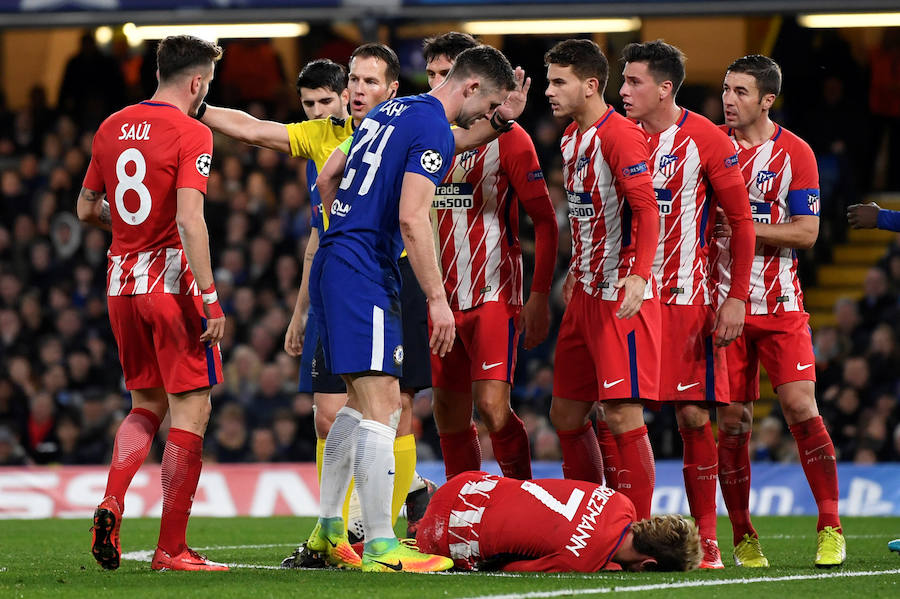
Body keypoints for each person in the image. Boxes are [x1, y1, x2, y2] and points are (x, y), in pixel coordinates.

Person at [199, 48, 430, 540]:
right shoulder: (320, 139)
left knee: (394, 405)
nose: (321, 111)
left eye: (328, 101)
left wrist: (497, 118)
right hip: (338, 277)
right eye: (310, 104)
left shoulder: (397, 129)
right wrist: (193, 105)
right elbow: (254, 131)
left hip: (391, 273)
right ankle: (340, 527)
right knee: (330, 416)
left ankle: (374, 526)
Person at [304, 45, 518, 573]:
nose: (484, 113)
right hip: (365, 270)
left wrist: (498, 123)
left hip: (334, 258)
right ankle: (382, 545)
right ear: (471, 87)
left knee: (355, 407)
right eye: (487, 103)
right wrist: (438, 300)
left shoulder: (393, 111)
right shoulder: (430, 126)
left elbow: (327, 177)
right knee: (385, 408)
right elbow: (411, 217)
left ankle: (329, 530)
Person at [78, 35, 228, 571]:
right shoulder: (192, 131)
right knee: (192, 408)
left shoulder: (111, 126)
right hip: (170, 287)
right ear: (197, 82)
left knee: (144, 405)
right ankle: (171, 548)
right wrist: (211, 298)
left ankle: (112, 500)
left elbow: (85, 208)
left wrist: (127, 230)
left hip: (121, 285)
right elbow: (189, 219)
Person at [618, 40, 755, 569]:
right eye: (622, 80)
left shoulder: (706, 138)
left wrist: (736, 297)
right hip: (624, 297)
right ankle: (627, 535)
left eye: (633, 81)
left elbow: (741, 222)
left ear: (665, 88)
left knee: (695, 417)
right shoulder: (617, 134)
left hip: (685, 297)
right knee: (615, 412)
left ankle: (707, 541)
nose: (624, 91)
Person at [712, 54, 845, 568]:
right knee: (733, 421)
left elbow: (807, 232)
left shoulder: (796, 153)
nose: (728, 99)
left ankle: (830, 526)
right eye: (726, 89)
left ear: (768, 100)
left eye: (741, 91)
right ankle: (743, 535)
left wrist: (743, 226)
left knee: (800, 408)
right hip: (722, 307)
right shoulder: (709, 146)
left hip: (781, 305)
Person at [421, 32, 558, 483]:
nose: (438, 84)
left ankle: (522, 494)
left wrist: (539, 297)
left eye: (447, 74)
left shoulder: (511, 140)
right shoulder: (421, 133)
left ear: (472, 80)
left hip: (492, 292)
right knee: (447, 412)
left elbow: (545, 221)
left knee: (493, 407)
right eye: (432, 75)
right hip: (438, 297)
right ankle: (464, 505)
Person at [543, 39, 660, 520]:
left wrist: (639, 275)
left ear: (590, 85)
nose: (549, 91)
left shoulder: (620, 135)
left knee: (622, 413)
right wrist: (576, 266)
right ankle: (593, 520)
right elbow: (586, 213)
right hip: (585, 292)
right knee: (566, 413)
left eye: (559, 82)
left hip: (619, 294)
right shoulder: (572, 137)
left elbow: (647, 211)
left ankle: (638, 530)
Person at [416, 471, 702, 572]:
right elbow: (511, 568)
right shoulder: (582, 561)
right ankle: (417, 522)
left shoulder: (620, 501)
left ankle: (420, 491)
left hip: (467, 482)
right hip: (442, 535)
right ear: (648, 563)